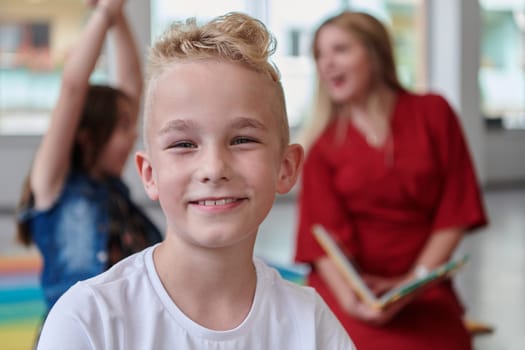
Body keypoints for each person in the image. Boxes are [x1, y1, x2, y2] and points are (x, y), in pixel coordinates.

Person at [34, 12, 356, 350]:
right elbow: (72, 90)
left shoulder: (311, 324)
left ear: (286, 167)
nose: (214, 168)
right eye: (184, 144)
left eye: (242, 139)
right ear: (149, 174)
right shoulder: (87, 319)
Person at [294, 11, 488, 350]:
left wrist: (413, 283)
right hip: (349, 290)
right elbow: (319, 239)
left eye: (340, 49)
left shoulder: (434, 112)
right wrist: (356, 302)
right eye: (319, 55)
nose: (326, 64)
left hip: (422, 286)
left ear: (375, 52)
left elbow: (454, 210)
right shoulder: (321, 145)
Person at [16, 0, 162, 312]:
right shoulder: (53, 184)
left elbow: (132, 87)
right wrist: (103, 14)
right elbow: (72, 88)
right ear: (87, 134)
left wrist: (118, 15)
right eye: (123, 127)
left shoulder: (112, 189)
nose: (134, 133)